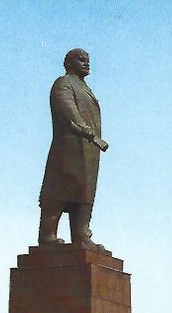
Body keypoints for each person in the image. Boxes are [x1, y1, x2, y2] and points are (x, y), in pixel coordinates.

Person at [38, 49, 109, 252]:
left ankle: (82, 235)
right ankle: (47, 236)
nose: (87, 63)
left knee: (84, 192)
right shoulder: (64, 83)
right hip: (69, 147)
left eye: (88, 60)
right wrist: (83, 127)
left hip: (89, 151)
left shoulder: (85, 87)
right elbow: (68, 109)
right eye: (81, 60)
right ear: (68, 63)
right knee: (60, 190)